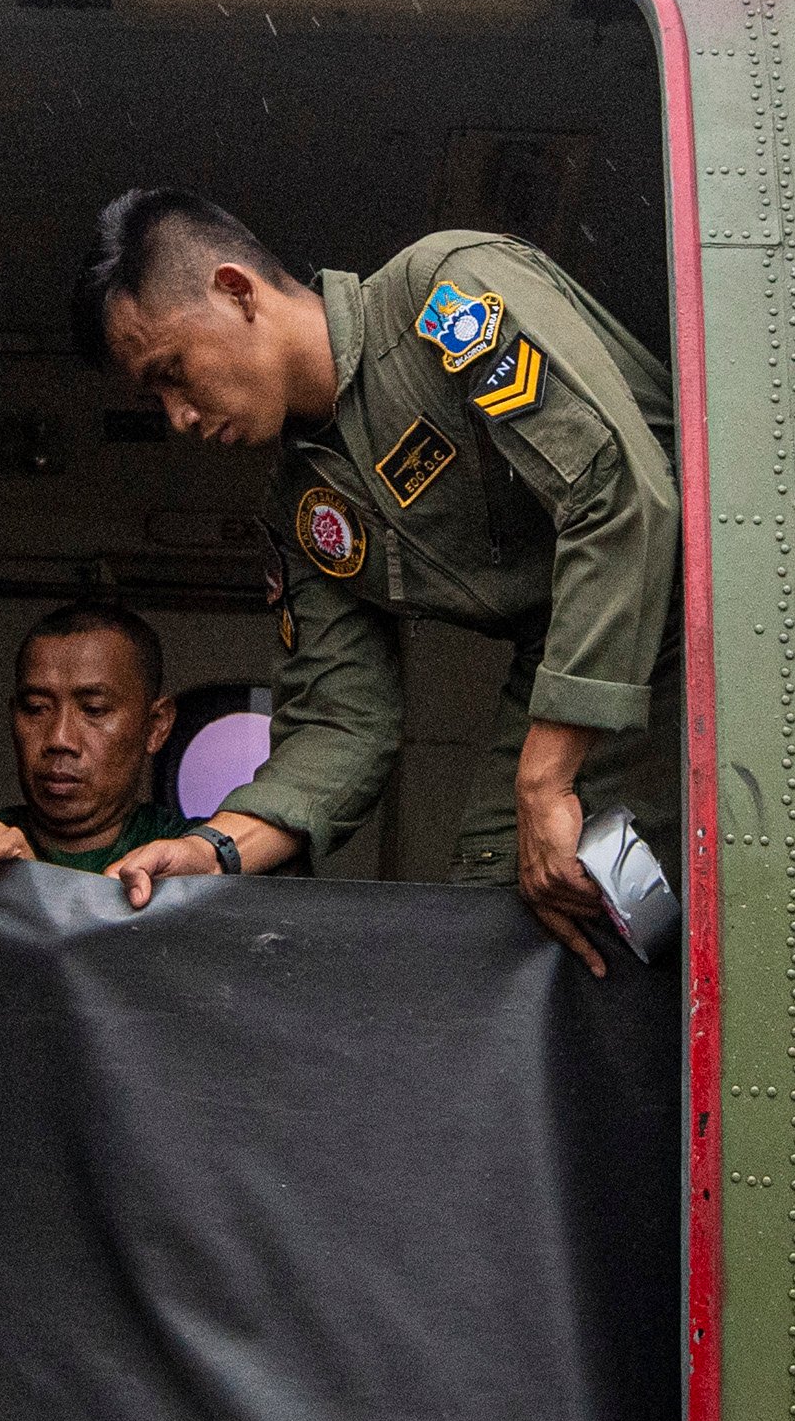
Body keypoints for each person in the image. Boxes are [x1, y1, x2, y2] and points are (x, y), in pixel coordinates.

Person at [71, 189, 678, 975]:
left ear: (235, 290)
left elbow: (619, 493)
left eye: (172, 373)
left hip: (687, 603)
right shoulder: (299, 510)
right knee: (502, 900)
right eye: (154, 397)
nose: (176, 417)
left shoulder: (445, 293)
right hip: (571, 658)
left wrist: (544, 777)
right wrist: (210, 848)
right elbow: (339, 724)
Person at [0, 599, 188, 890]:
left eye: (93, 709)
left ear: (156, 726)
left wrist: (34, 887)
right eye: (36, 708)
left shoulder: (190, 858)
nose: (59, 739)